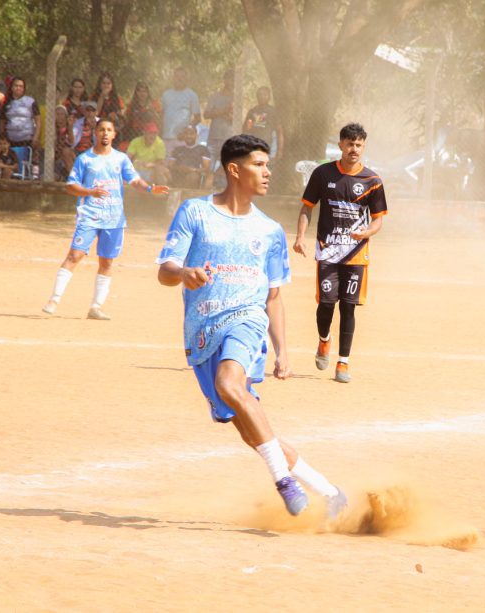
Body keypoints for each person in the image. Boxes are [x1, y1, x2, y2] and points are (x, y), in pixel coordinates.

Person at [156, 133, 347, 518]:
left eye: (267, 165)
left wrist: (283, 352)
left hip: (246, 320)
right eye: (259, 165)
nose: (267, 172)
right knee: (250, 429)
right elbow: (165, 271)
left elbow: (273, 297)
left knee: (229, 385)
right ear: (234, 169)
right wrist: (184, 273)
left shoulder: (270, 230)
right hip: (201, 332)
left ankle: (284, 482)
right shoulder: (195, 213)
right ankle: (331, 493)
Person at [42, 119, 169, 320]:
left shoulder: (121, 159)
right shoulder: (85, 159)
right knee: (74, 256)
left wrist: (149, 189)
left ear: (114, 134)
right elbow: (70, 186)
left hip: (114, 218)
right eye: (101, 130)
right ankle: (54, 300)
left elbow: (135, 180)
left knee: (107, 262)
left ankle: (96, 307)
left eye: (109, 130)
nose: (105, 133)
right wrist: (89, 192)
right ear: (95, 133)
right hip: (89, 216)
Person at [293, 123, 388, 383]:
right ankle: (324, 339)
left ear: (363, 147)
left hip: (356, 254)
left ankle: (343, 362)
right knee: (326, 304)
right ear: (340, 145)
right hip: (328, 251)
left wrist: (367, 233)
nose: (353, 149)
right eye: (349, 144)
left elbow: (378, 220)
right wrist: (300, 237)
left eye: (358, 145)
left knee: (348, 307)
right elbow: (307, 207)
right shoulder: (323, 174)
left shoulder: (372, 180)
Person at [161, 67, 201, 149]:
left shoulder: (192, 95)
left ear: (186, 79)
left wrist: (186, 132)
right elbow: (162, 114)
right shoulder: (166, 94)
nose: (179, 79)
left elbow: (197, 118)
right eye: (177, 76)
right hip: (166, 138)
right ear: (173, 78)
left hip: (182, 139)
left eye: (182, 77)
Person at [204, 69, 234, 176]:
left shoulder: (236, 98)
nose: (232, 82)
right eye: (229, 79)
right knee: (209, 167)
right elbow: (206, 114)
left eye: (233, 80)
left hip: (228, 137)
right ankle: (207, 185)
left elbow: (235, 118)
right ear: (225, 80)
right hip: (213, 136)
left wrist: (217, 112)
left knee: (225, 168)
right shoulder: (215, 96)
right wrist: (224, 111)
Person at [243, 85, 282, 158]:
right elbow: (247, 129)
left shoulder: (273, 111)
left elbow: (279, 131)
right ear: (257, 96)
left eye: (265, 94)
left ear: (269, 97)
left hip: (268, 145)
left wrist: (280, 150)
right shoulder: (252, 111)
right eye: (260, 94)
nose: (262, 97)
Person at [169, 124, 212, 189]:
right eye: (186, 134)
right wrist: (180, 168)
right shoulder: (177, 149)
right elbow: (170, 165)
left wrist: (193, 170)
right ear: (184, 135)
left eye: (191, 134)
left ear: (196, 135)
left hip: (194, 175)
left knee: (193, 176)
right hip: (178, 174)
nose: (189, 136)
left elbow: (206, 168)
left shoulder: (203, 149)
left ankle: (186, 193)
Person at [2, 77, 40, 147]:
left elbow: (38, 121)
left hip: (27, 139)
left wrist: (36, 137)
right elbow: (2, 121)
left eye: (21, 86)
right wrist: (3, 137)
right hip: (10, 140)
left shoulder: (31, 101)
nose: (18, 88)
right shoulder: (6, 102)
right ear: (11, 87)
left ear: (24, 88)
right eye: (16, 85)